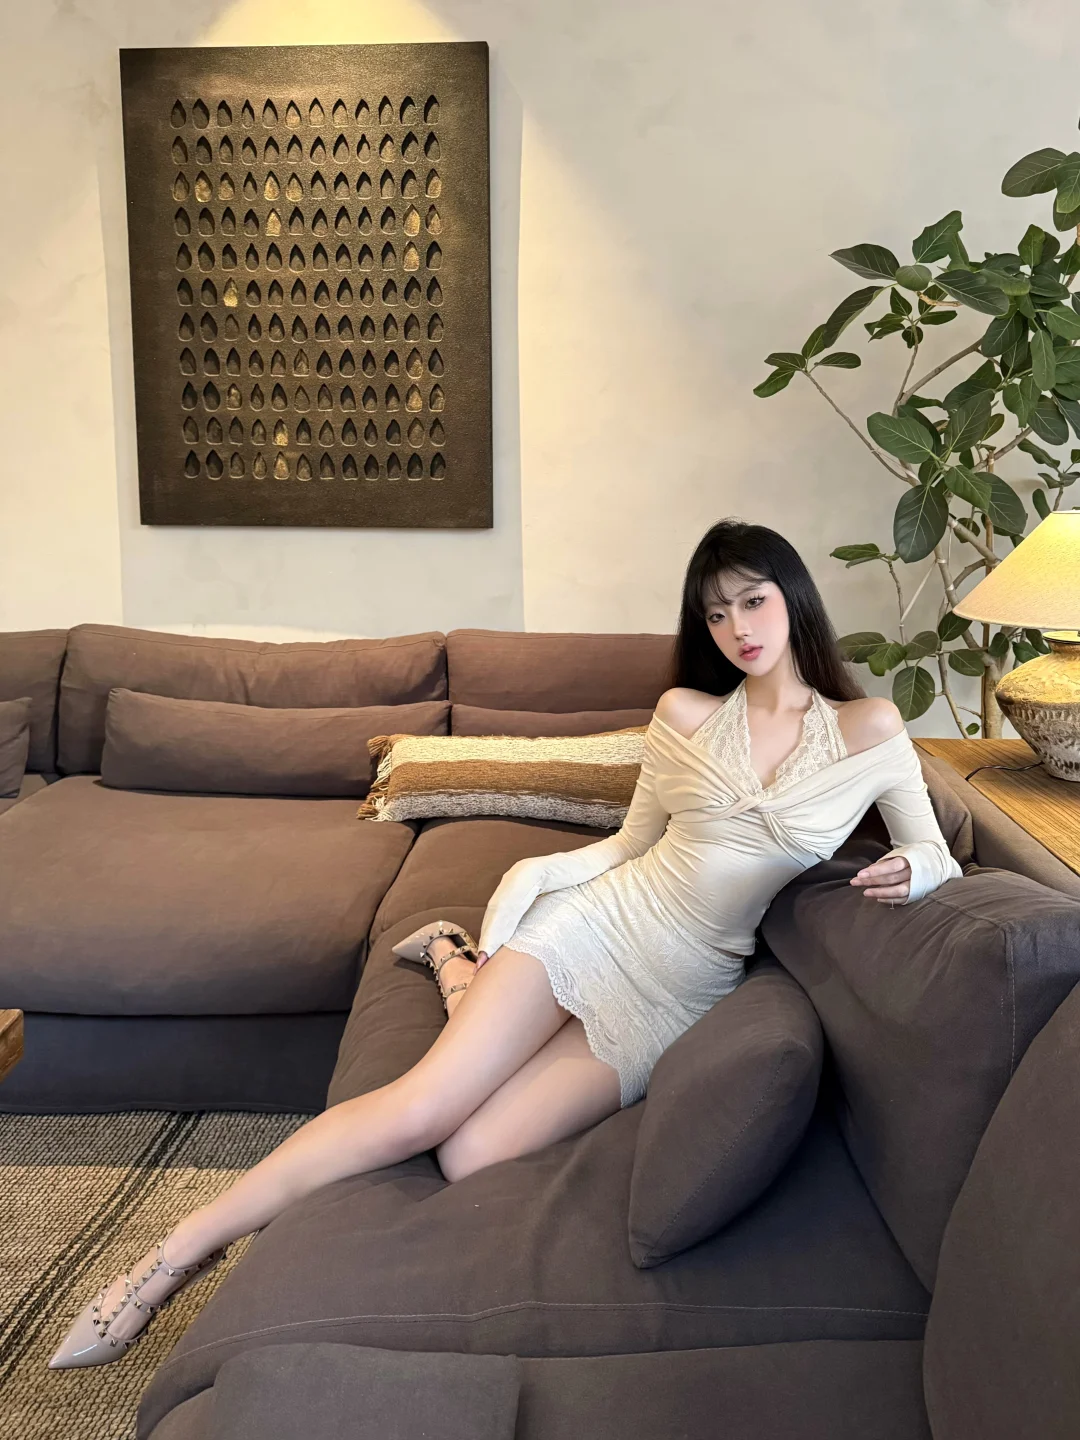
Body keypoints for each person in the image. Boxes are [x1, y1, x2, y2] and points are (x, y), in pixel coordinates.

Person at [47, 518, 963, 1369]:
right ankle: (167, 1262)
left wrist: (913, 871)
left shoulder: (868, 730)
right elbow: (628, 846)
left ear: (794, 597)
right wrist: (528, 882)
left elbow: (935, 850)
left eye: (753, 601)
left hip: (685, 989)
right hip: (599, 926)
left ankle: (453, 968)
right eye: (716, 612)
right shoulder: (685, 713)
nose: (737, 628)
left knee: (474, 1152)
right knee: (418, 1112)